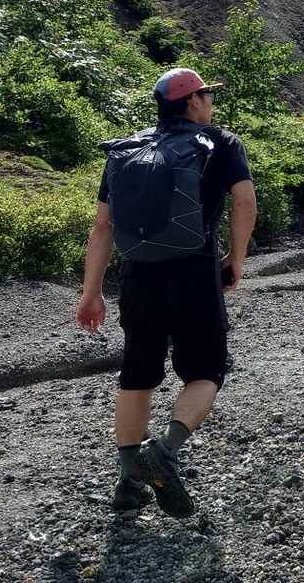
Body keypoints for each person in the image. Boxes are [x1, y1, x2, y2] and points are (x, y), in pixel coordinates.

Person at [75, 67, 255, 517]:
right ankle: (166, 450)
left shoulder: (128, 150)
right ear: (192, 101)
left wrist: (91, 292)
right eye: (207, 94)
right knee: (207, 369)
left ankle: (127, 483)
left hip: (139, 276)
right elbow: (244, 202)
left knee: (137, 374)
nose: (210, 101)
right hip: (194, 273)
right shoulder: (222, 143)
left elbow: (102, 227)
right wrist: (236, 258)